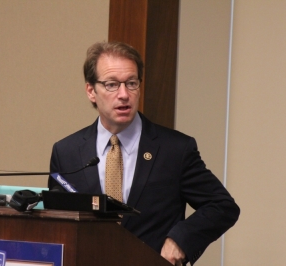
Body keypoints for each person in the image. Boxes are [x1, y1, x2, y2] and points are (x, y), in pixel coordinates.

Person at [48, 41, 240, 265]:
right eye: (111, 85)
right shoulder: (67, 152)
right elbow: (56, 221)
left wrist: (180, 240)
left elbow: (222, 206)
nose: (124, 94)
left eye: (131, 83)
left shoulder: (175, 149)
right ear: (91, 91)